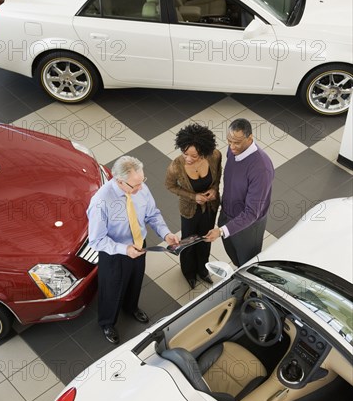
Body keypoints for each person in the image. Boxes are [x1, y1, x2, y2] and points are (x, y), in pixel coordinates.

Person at [87, 155, 179, 344]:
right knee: (111, 289)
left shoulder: (140, 188)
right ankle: (107, 322)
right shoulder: (101, 202)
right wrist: (124, 249)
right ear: (119, 181)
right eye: (134, 185)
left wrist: (165, 234)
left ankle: (130, 307)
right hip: (115, 253)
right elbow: (96, 240)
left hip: (139, 245)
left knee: (135, 280)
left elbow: (153, 214)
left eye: (141, 181)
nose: (140, 188)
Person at [205, 118, 274, 266]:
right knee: (235, 258)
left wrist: (222, 231)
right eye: (229, 141)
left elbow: (251, 213)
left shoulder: (261, 169)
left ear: (250, 138)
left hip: (248, 228)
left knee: (247, 265)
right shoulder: (233, 150)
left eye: (236, 142)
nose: (232, 147)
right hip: (227, 217)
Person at [165, 123, 222, 289]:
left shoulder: (215, 156)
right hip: (189, 210)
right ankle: (188, 272)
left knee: (206, 239)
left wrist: (214, 189)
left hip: (210, 206)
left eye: (194, 156)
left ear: (204, 152)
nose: (188, 159)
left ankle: (203, 269)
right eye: (185, 153)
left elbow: (218, 174)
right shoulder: (176, 166)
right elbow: (170, 186)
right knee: (188, 242)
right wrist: (193, 196)